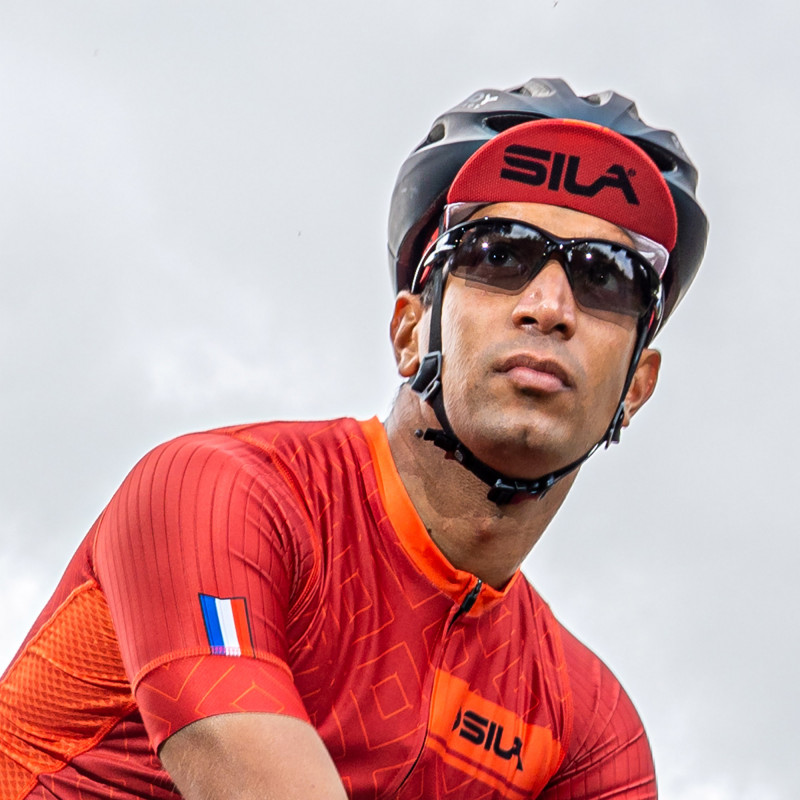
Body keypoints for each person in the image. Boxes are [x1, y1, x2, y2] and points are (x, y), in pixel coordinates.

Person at [0, 77, 707, 800]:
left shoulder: (588, 726)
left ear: (636, 386)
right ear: (409, 333)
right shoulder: (218, 493)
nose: (549, 306)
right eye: (499, 256)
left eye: (606, 278)